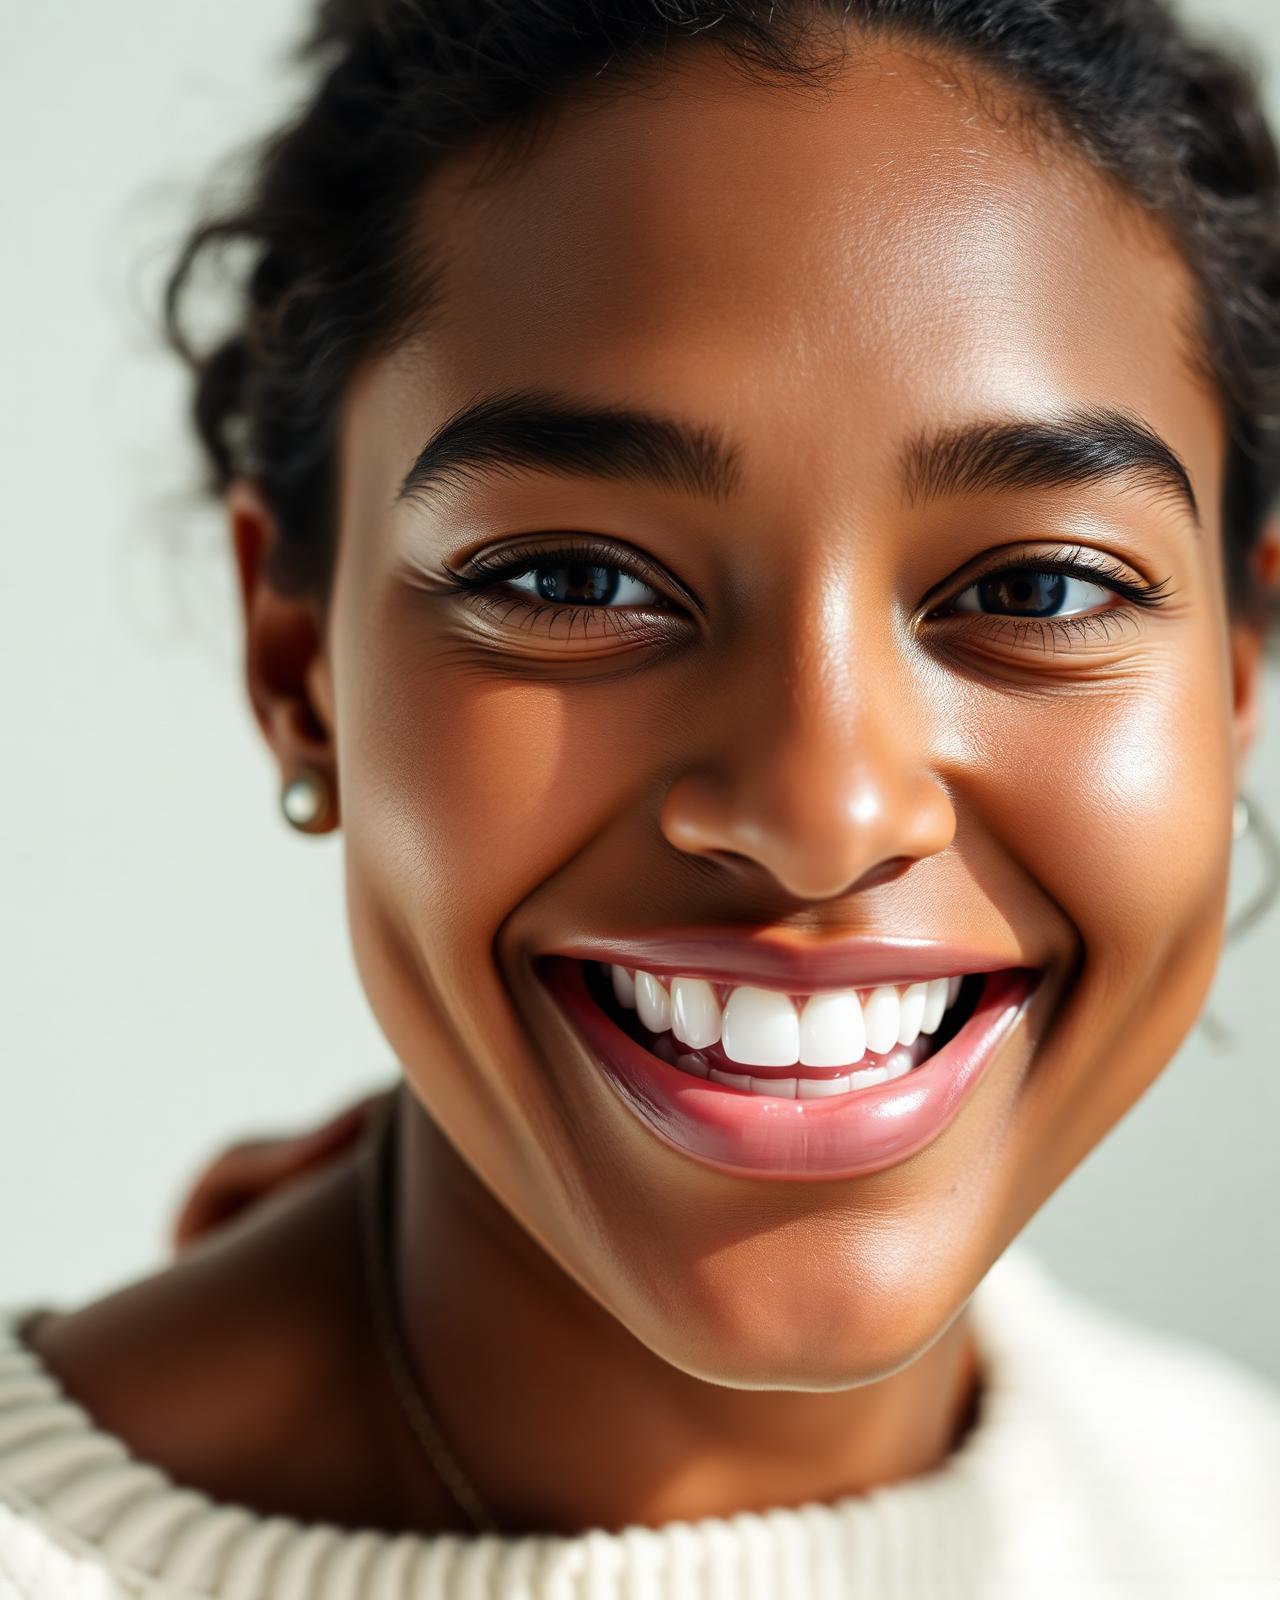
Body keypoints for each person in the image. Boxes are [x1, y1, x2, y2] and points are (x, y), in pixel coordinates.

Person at [3, 1, 1280, 1595]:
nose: (821, 814)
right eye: (573, 578)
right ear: (299, 664)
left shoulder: (1232, 1513)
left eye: (1036, 589)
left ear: (1235, 678)